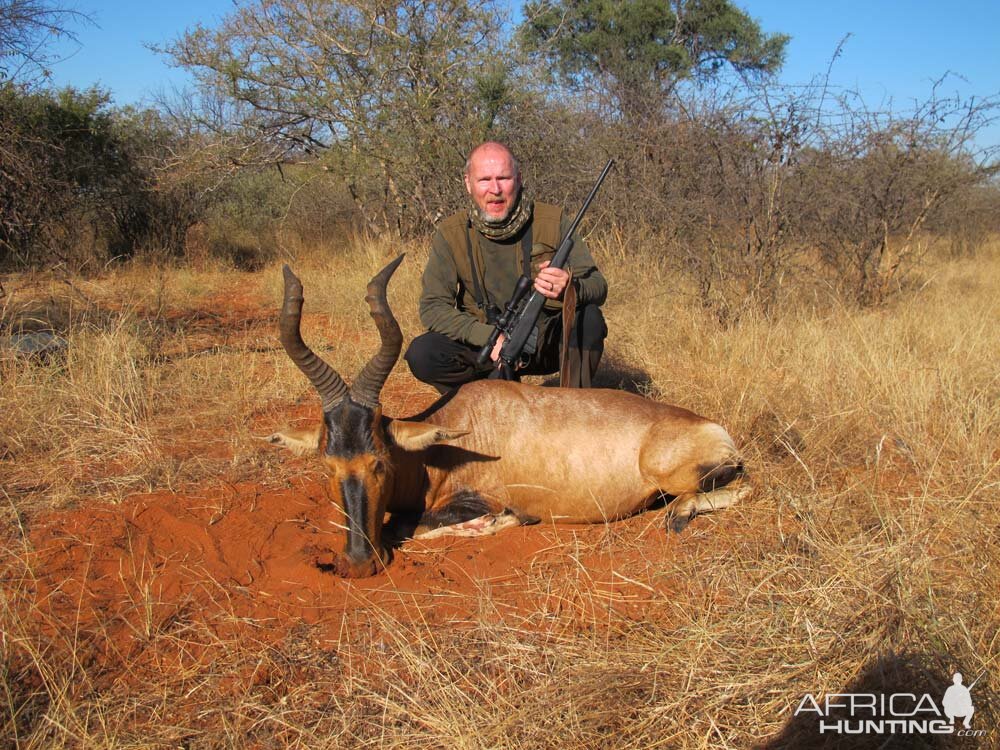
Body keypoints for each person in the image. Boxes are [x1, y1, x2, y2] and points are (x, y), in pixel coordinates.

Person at [405, 142, 608, 393]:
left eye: (503, 178)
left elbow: (598, 287)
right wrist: (489, 338)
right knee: (423, 353)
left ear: (519, 179)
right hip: (484, 346)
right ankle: (478, 405)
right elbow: (433, 307)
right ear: (468, 183)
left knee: (589, 320)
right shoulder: (450, 233)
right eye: (484, 180)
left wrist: (570, 287)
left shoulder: (553, 220)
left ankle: (574, 408)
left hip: (542, 341)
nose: (495, 189)